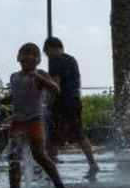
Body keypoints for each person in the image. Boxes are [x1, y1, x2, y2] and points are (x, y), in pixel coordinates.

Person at [0, 43, 68, 188]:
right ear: (18, 57)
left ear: (38, 60)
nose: (28, 56)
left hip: (34, 121)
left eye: (33, 54)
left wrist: (40, 78)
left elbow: (56, 90)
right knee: (13, 156)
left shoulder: (39, 74)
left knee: (40, 156)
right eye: (24, 53)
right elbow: (15, 96)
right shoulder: (14, 76)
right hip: (17, 121)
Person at [43, 37, 101, 179]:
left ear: (51, 48)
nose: (47, 55)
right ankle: (92, 163)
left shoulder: (54, 60)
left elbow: (55, 84)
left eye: (46, 52)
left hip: (61, 102)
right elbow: (78, 81)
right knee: (78, 132)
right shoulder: (72, 59)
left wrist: (49, 104)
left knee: (52, 135)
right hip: (74, 100)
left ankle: (50, 168)